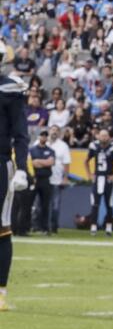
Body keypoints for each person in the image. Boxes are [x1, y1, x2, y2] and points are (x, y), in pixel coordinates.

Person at [0, 72, 28, 311]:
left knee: (2, 226)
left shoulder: (10, 90)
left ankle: (0, 292)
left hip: (0, 163)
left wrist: (21, 167)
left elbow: (20, 134)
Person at [86, 128, 113, 235]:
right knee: (95, 204)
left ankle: (109, 227)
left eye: (106, 135)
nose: (104, 137)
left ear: (109, 137)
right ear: (98, 136)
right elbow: (86, 161)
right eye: (102, 135)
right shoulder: (94, 146)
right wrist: (89, 174)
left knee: (109, 204)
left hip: (108, 179)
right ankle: (93, 226)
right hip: (97, 178)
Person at [28, 129, 55, 236]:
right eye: (42, 135)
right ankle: (30, 226)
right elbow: (31, 163)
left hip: (45, 179)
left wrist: (38, 161)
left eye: (45, 136)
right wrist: (44, 162)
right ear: (39, 137)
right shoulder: (32, 150)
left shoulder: (50, 150)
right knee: (29, 204)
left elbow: (51, 162)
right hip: (34, 179)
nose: (43, 137)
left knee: (45, 205)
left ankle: (45, 228)